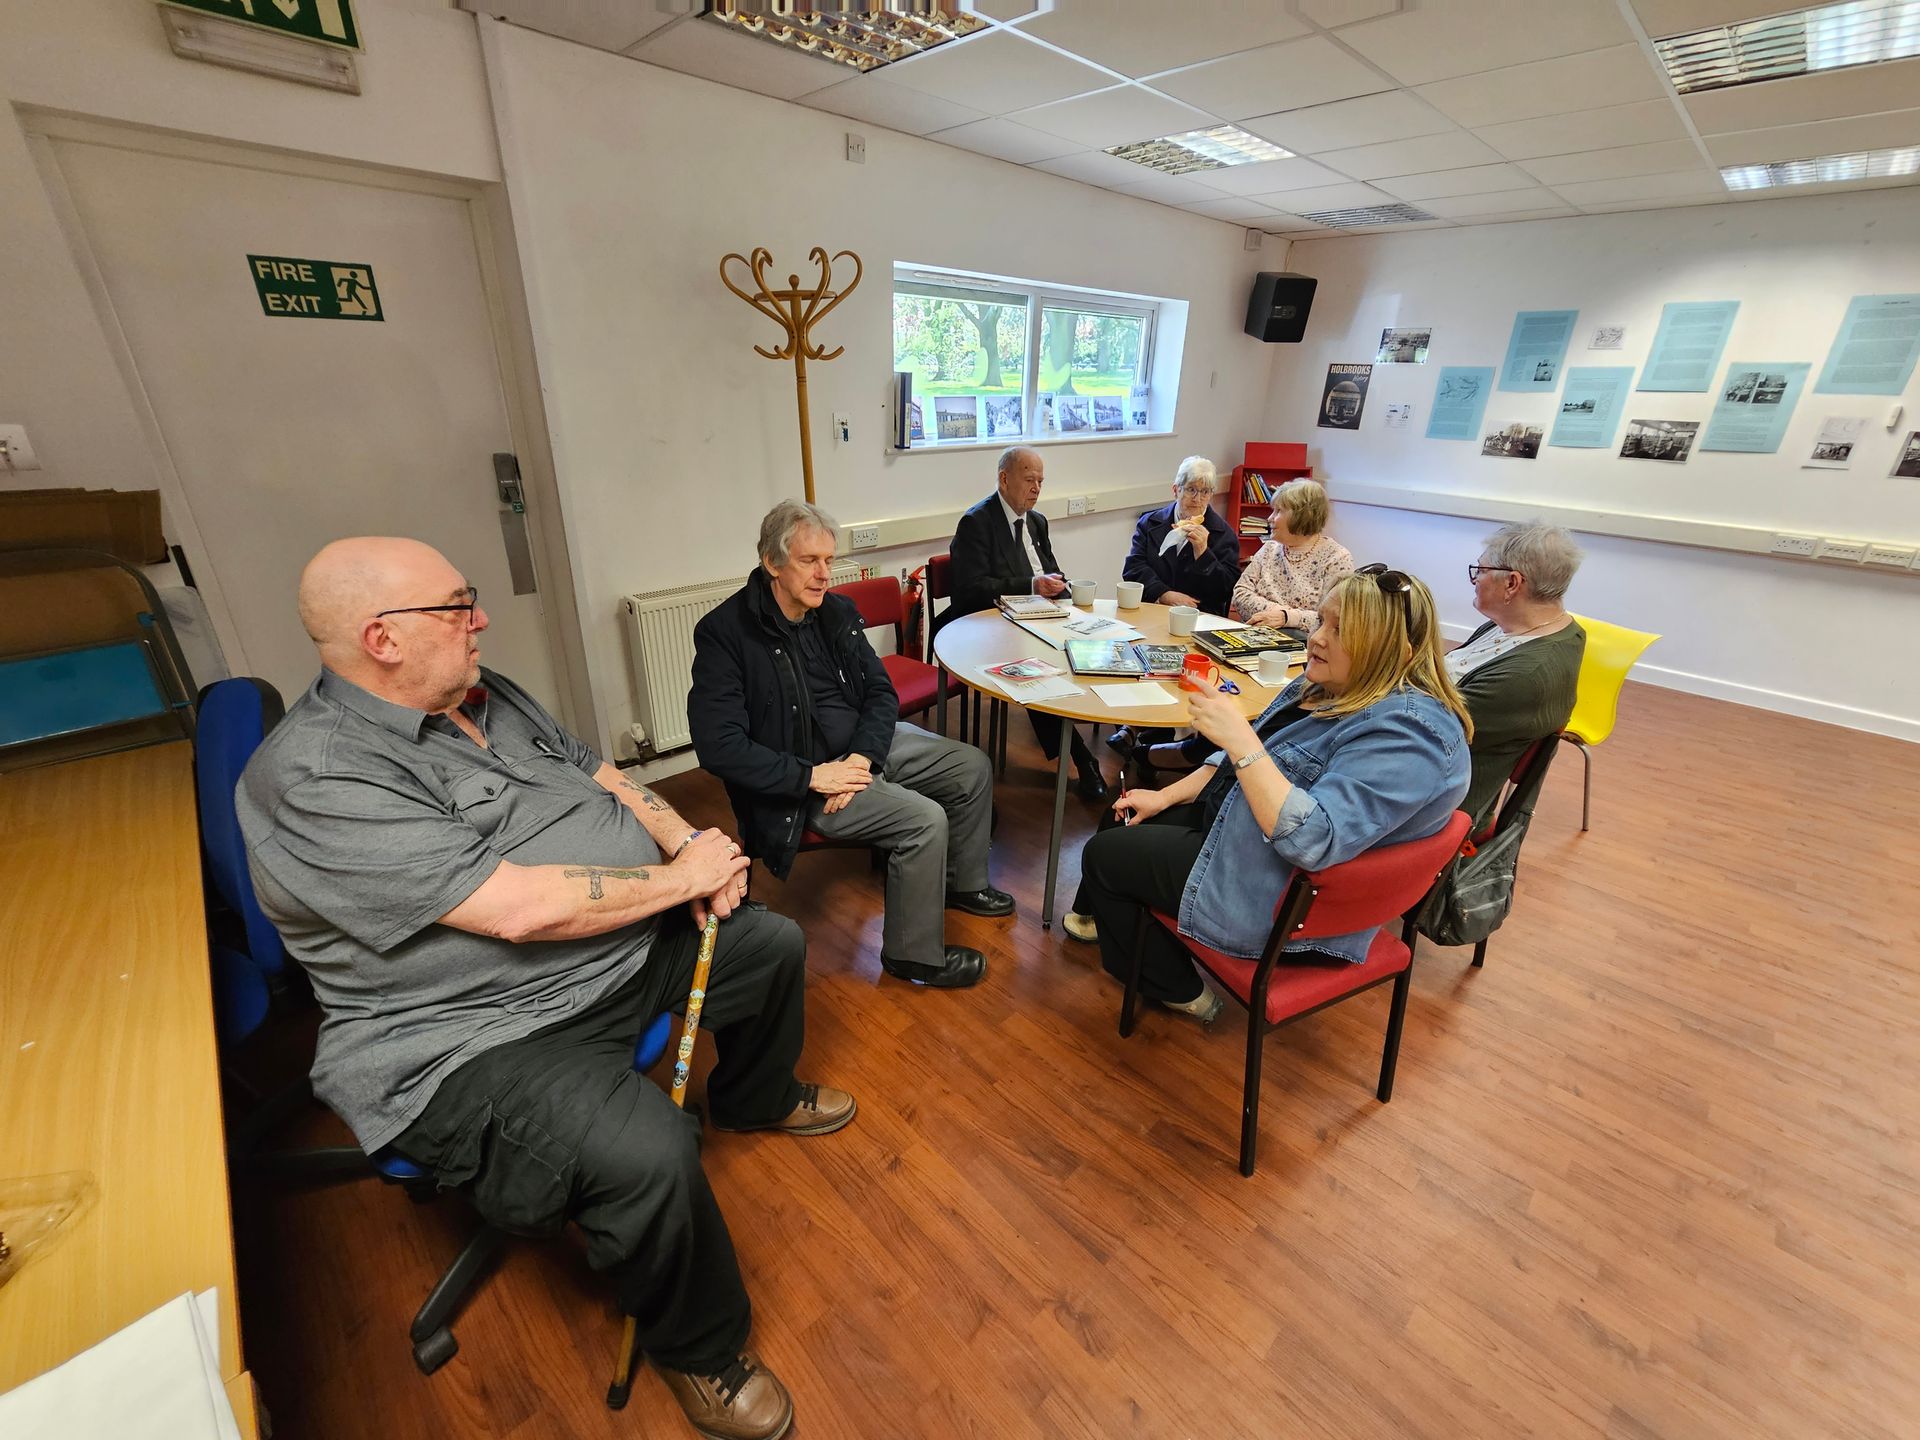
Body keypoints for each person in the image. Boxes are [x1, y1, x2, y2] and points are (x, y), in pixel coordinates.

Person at [238, 537, 846, 1440]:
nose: (480, 619)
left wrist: (687, 843)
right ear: (382, 638)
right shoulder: (317, 775)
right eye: (457, 606)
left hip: (612, 953)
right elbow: (515, 909)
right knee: (646, 1152)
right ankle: (700, 1350)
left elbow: (608, 777)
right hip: (473, 1033)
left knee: (769, 945)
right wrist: (680, 881)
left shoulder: (483, 692)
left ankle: (756, 1097)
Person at [1066, 567, 1472, 1016]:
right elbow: (1238, 764)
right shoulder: (1327, 685)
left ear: (1396, 652)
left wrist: (1241, 741)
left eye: (1342, 631)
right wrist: (1165, 795)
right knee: (1121, 817)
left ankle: (1179, 989)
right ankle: (1116, 924)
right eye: (1321, 620)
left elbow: (1312, 840)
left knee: (1105, 855)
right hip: (1248, 832)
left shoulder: (1411, 736)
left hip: (1280, 893)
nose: (1317, 638)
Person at [691, 500, 1012, 991]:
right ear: (772, 562)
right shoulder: (726, 633)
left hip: (861, 750)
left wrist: (863, 756)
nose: (824, 574)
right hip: (800, 780)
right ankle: (912, 955)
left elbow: (880, 692)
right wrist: (814, 776)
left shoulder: (835, 612)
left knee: (971, 766)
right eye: (809, 561)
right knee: (924, 820)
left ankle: (961, 884)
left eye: (828, 560)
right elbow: (718, 745)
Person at [947, 445, 1108, 799]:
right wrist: (1032, 585)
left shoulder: (1037, 521)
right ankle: (1082, 758)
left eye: (1041, 481)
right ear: (1004, 479)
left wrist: (1063, 591)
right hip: (989, 625)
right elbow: (969, 589)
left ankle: (1107, 724)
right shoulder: (977, 522)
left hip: (1041, 615)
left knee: (1087, 648)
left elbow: (1050, 570)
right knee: (1038, 671)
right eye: (1029, 480)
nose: (1036, 489)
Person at [1446, 520, 1587, 825]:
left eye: (1481, 570)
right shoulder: (1512, 627)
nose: (1475, 580)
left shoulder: (1525, 675)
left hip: (1436, 802)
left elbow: (1426, 729)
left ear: (1512, 583)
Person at [1232, 477, 1354, 633]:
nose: (1269, 518)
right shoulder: (1269, 549)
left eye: (1278, 511)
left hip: (1304, 642)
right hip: (1255, 634)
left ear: (1302, 515)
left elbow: (1334, 617)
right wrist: (1275, 613)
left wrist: (1287, 617)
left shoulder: (1337, 558)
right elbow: (1240, 593)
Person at [1121, 456, 1240, 615]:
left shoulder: (1224, 534)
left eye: (1205, 492)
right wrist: (1163, 594)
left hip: (1200, 616)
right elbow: (1133, 568)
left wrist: (1203, 553)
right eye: (1191, 489)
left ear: (1211, 494)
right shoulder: (1149, 523)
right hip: (1153, 608)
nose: (1197, 499)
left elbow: (1225, 590)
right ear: (1176, 490)